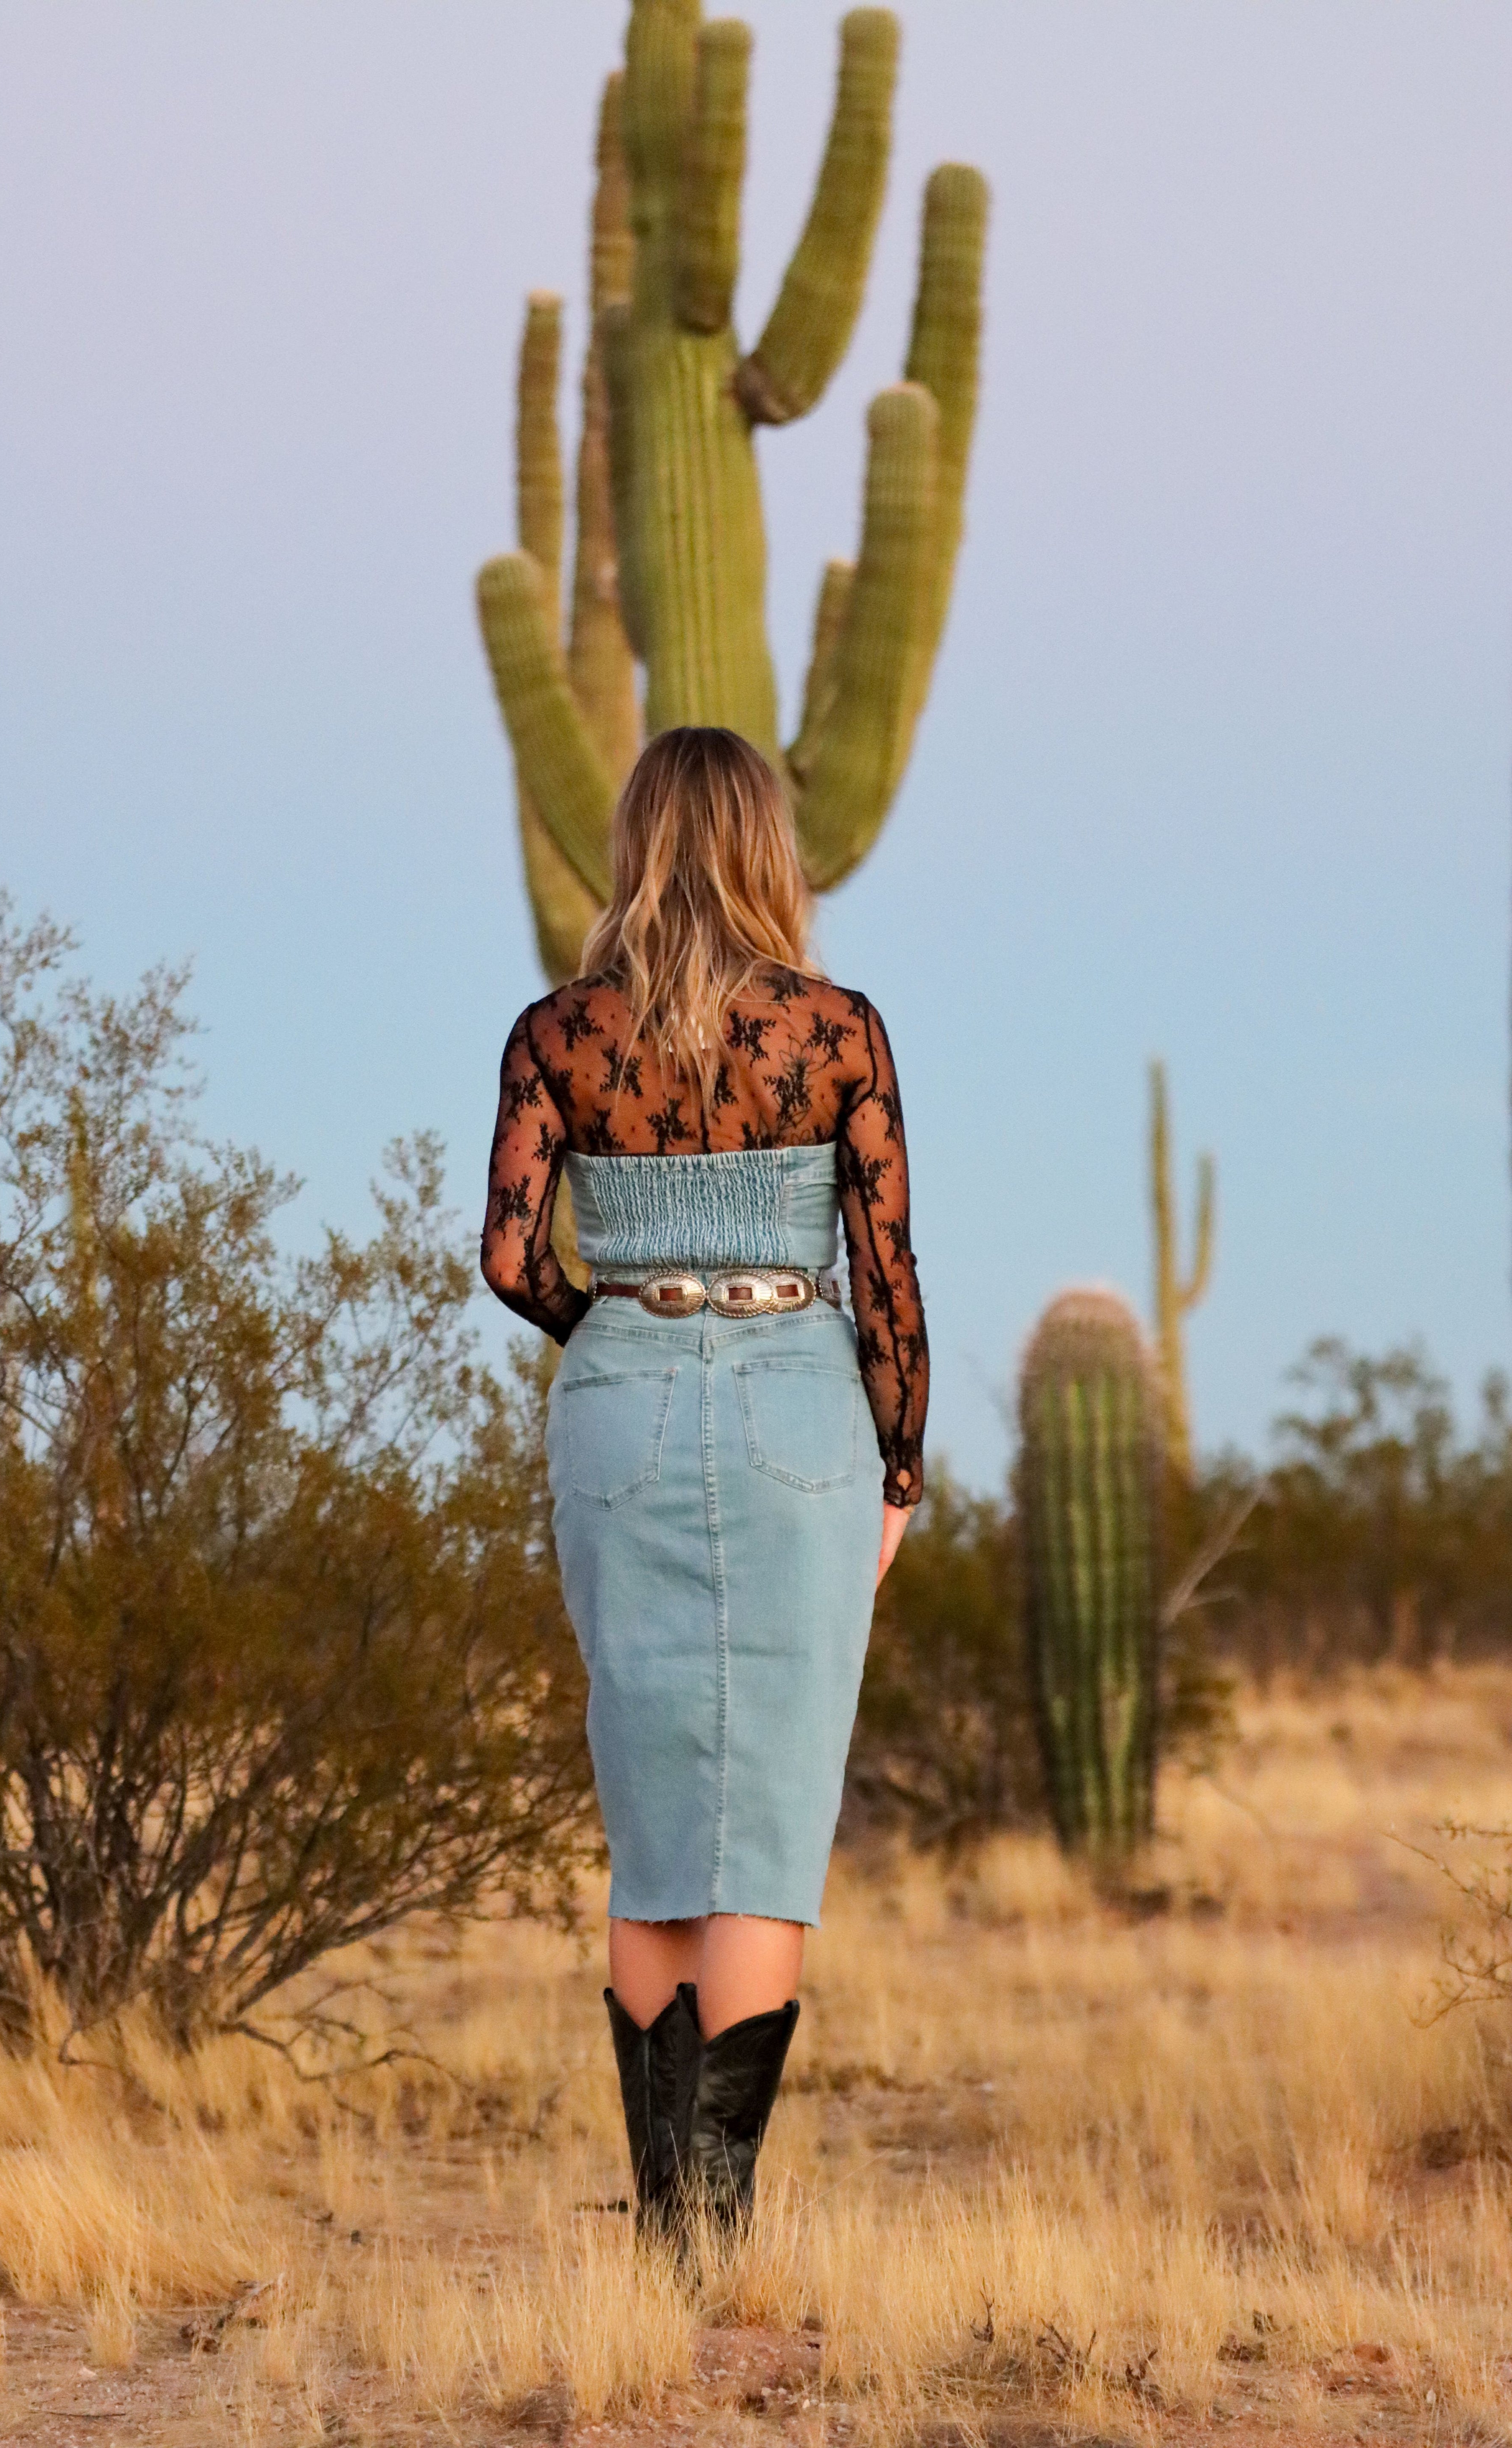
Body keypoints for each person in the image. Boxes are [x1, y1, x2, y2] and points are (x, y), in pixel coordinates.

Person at [480, 725, 928, 2241]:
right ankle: (714, 2234)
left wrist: (616, 1334)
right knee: (768, 1832)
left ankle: (668, 2222)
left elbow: (510, 1259)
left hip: (621, 1411)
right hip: (800, 1403)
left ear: (631, 845)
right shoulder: (839, 1032)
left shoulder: (556, 1035)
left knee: (657, 1826)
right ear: (766, 850)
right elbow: (887, 1275)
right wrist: (899, 1469)